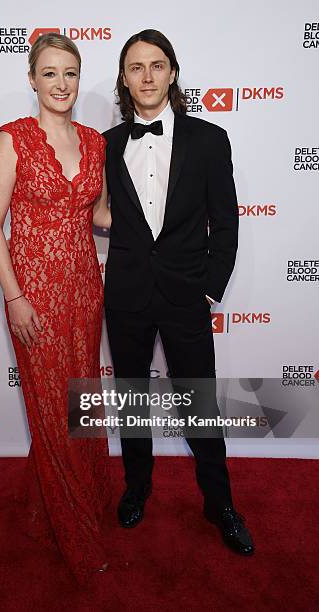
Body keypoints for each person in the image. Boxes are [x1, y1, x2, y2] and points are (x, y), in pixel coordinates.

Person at [103, 29, 254, 555]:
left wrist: (209, 290)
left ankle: (220, 504)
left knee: (200, 405)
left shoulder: (210, 139)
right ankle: (136, 487)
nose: (146, 76)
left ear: (172, 71)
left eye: (156, 65)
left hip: (185, 294)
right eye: (135, 67)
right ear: (124, 78)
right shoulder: (106, 144)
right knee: (132, 401)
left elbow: (226, 223)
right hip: (125, 294)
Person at [0, 32, 112, 583]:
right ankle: (76, 534)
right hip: (34, 293)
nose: (62, 84)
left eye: (71, 73)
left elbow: (102, 217)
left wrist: (170, 219)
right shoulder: (14, 139)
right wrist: (14, 298)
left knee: (80, 408)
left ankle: (43, 511)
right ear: (32, 79)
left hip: (85, 289)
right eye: (51, 73)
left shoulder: (95, 142)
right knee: (54, 416)